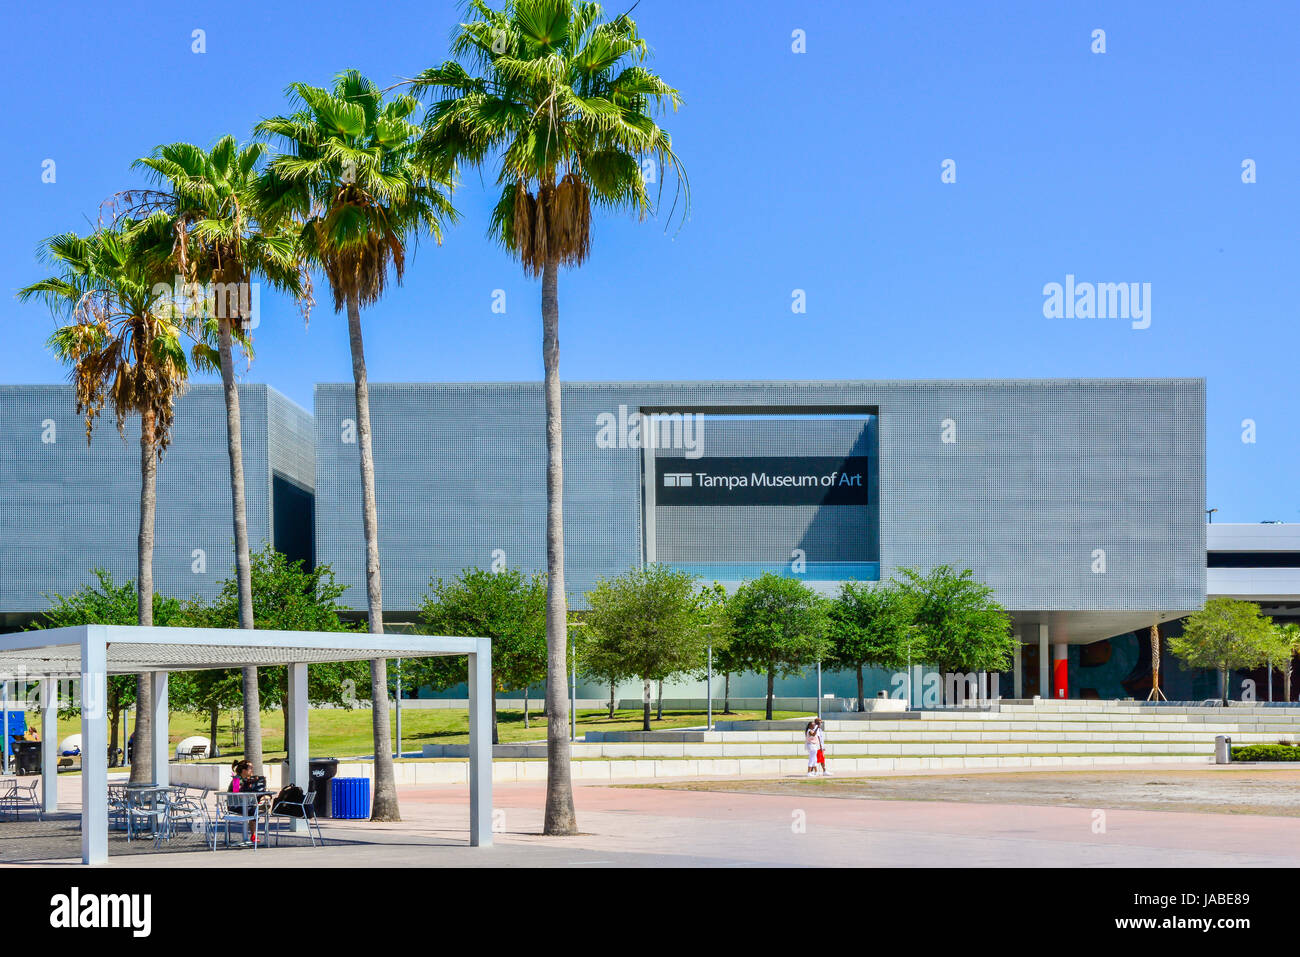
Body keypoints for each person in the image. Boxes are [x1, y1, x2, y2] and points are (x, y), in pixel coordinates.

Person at [228, 760, 262, 844]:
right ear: (244, 770)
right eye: (250, 768)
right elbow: (237, 794)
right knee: (254, 810)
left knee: (255, 809)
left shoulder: (248, 780)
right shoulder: (236, 779)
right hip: (235, 806)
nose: (252, 769)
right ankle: (253, 835)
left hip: (245, 805)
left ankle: (253, 835)